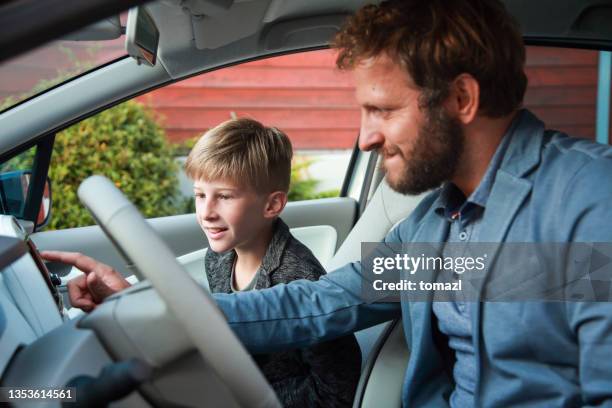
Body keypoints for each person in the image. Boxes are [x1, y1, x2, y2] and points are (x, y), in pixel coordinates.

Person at [44, 0, 612, 406]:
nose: (366, 137)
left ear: (462, 98)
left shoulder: (588, 202)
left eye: (383, 111)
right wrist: (151, 303)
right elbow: (323, 304)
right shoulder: (438, 225)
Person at [42, 118, 362, 408]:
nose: (206, 212)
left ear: (272, 204)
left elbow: (335, 391)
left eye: (224, 196)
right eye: (199, 195)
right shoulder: (220, 257)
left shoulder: (298, 275)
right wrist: (126, 298)